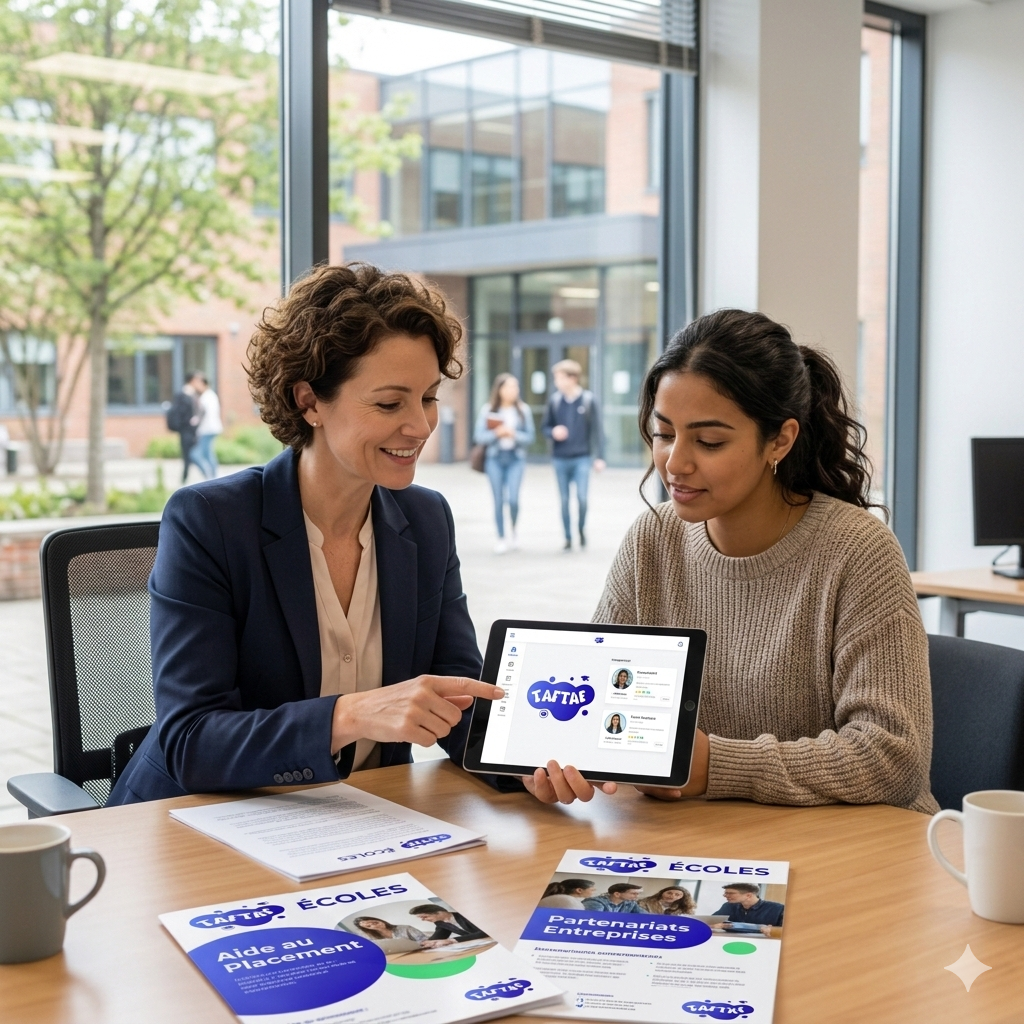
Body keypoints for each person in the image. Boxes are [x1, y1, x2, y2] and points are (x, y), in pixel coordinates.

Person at [107, 263, 504, 804]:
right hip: (204, 821)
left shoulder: (427, 520)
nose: (420, 425)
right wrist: (352, 714)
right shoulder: (210, 521)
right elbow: (191, 739)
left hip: (361, 820)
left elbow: (458, 696)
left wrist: (523, 762)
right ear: (309, 401)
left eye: (429, 397)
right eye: (390, 403)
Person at [521, 308, 937, 812]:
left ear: (780, 440)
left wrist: (714, 766)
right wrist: (558, 754)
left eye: (709, 441)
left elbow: (894, 758)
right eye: (664, 433)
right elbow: (603, 706)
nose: (675, 464)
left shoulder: (857, 551)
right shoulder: (653, 541)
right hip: (709, 844)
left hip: (854, 851)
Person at [541, 359, 605, 551]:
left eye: (559, 378)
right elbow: (545, 426)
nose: (556, 382)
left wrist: (599, 457)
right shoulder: (555, 401)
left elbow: (597, 430)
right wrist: (553, 432)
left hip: (582, 458)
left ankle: (581, 529)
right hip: (560, 458)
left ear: (572, 378)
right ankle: (568, 538)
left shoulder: (588, 400)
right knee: (564, 500)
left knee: (582, 498)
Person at [473, 373, 534, 554]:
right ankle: (501, 537)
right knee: (498, 500)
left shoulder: (523, 410)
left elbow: (530, 438)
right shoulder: (489, 410)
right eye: (509, 387)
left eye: (515, 387)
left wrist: (514, 434)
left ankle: (514, 531)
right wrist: (496, 434)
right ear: (499, 389)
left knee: (513, 500)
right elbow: (479, 436)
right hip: (495, 459)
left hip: (515, 459)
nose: (513, 390)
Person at [166, 372, 202, 483]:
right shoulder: (184, 395)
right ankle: (185, 479)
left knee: (192, 455)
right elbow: (182, 414)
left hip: (191, 430)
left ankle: (185, 479)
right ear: (192, 380)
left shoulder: (192, 394)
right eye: (197, 380)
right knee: (190, 455)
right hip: (186, 430)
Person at [713, 883, 784, 935]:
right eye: (725, 893)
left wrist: (774, 930)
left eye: (730, 893)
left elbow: (786, 931)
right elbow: (712, 921)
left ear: (748, 895)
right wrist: (713, 924)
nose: (725, 895)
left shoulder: (778, 909)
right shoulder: (728, 906)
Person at [410, 905, 488, 945]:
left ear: (439, 912)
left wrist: (451, 940)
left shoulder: (464, 915)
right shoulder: (440, 923)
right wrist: (424, 944)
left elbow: (485, 931)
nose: (423, 920)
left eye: (425, 917)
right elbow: (437, 937)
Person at [194, 374, 222, 480]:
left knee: (203, 453)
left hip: (208, 429)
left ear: (203, 383)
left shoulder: (207, 396)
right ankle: (212, 475)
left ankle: (212, 475)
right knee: (207, 452)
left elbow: (204, 413)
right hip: (211, 428)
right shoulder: (210, 395)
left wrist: (196, 422)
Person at [350, 916, 427, 943]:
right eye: (369, 926)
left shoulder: (406, 928)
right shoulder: (371, 937)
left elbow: (425, 939)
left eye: (374, 922)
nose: (373, 926)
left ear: (380, 920)